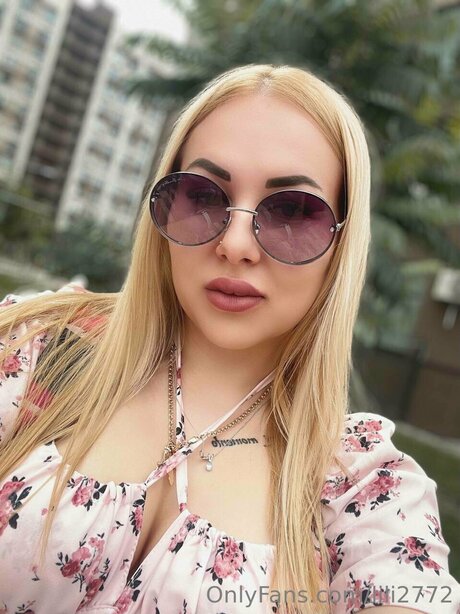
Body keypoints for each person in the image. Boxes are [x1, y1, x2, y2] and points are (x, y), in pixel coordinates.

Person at [0, 63, 458, 614]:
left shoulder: (360, 484)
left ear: (342, 244)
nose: (236, 244)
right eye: (203, 196)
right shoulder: (36, 346)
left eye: (293, 211)